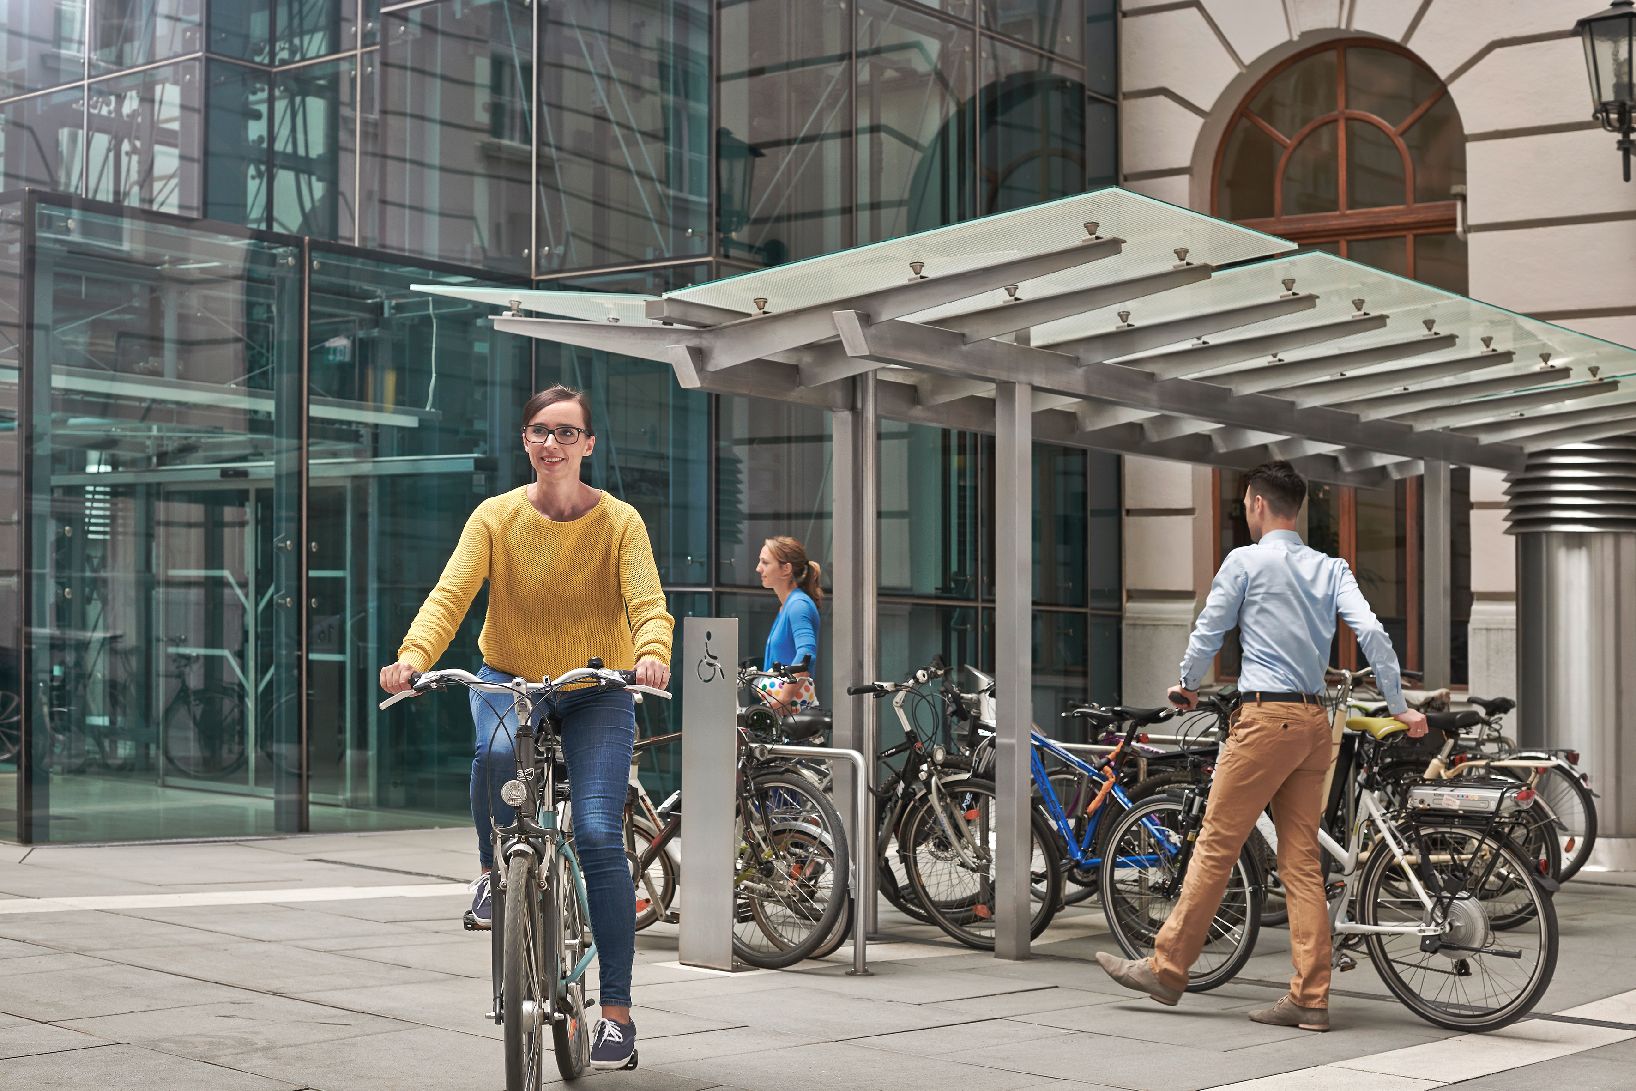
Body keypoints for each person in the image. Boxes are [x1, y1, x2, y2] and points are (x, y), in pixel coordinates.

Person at [378, 384, 672, 1070]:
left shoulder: (621, 522)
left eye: (567, 432)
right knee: (494, 751)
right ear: (525, 440)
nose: (553, 443)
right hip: (510, 677)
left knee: (599, 832)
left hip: (597, 687)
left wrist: (652, 651)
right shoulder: (495, 517)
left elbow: (647, 602)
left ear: (588, 445)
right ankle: (491, 870)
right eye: (541, 430)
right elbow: (451, 594)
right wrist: (413, 657)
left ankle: (618, 1016)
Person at [1094, 460, 1426, 1032]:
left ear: (1255, 503)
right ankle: (1309, 997)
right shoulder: (1331, 567)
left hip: (1264, 719)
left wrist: (1187, 684)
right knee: (1300, 864)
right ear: (1296, 509)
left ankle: (1168, 968)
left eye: (1246, 503)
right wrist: (1399, 706)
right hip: (1314, 724)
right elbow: (1372, 633)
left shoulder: (1245, 561)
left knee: (1216, 845)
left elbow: (1209, 629)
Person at [753, 536, 822, 713]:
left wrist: (784, 698)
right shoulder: (787, 606)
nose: (758, 568)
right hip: (784, 714)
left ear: (786, 569)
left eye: (765, 563)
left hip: (791, 717)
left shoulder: (798, 605)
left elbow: (807, 653)